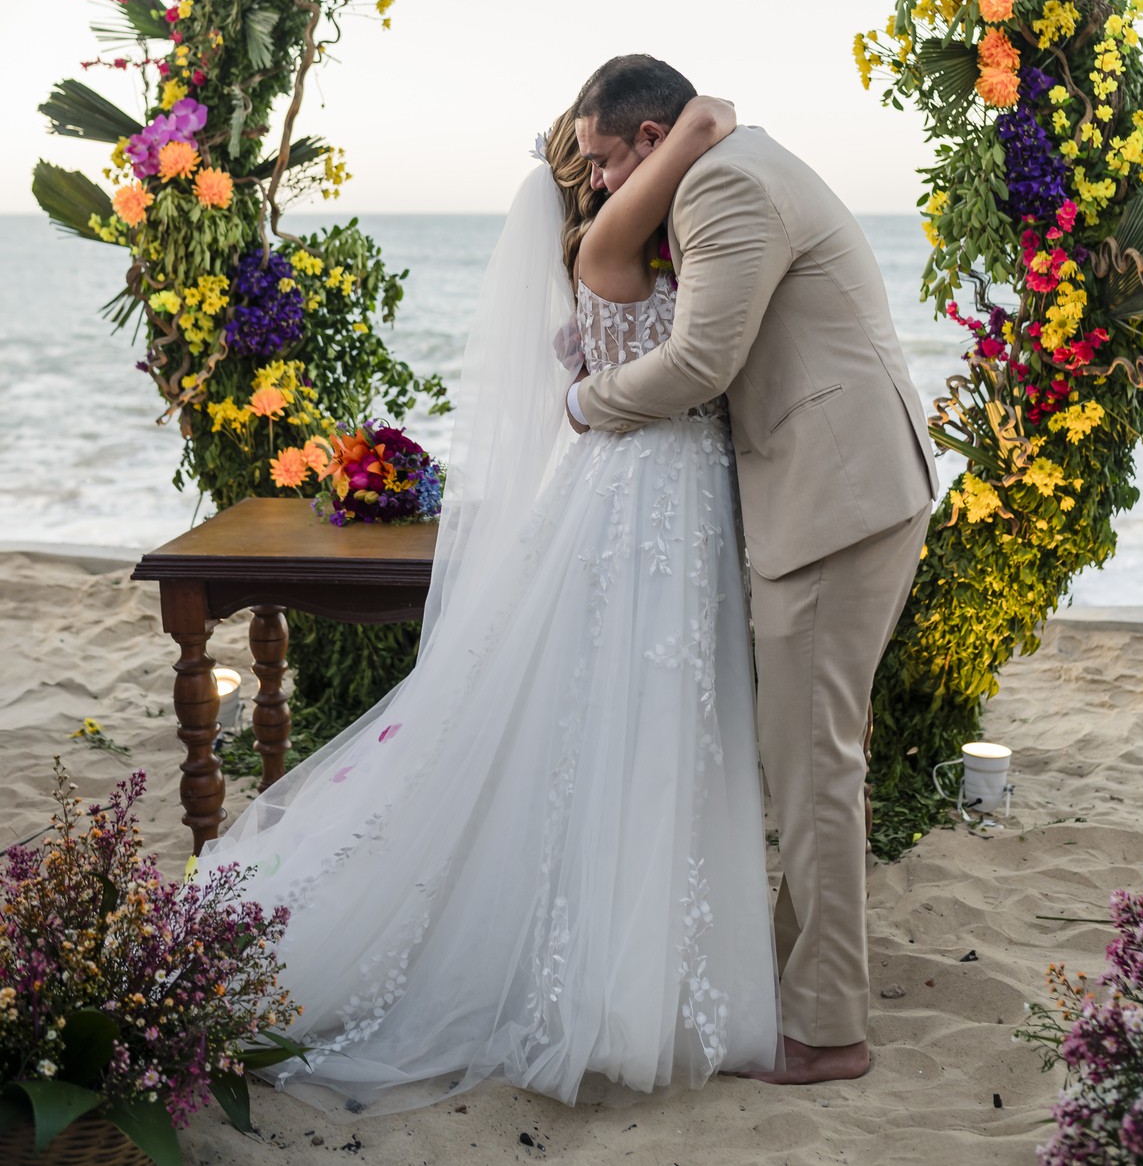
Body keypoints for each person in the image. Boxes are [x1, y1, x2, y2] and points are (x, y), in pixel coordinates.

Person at [195, 76, 781, 1112]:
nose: (605, 183)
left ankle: (647, 972)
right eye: (595, 170)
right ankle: (612, 983)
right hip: (646, 498)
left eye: (609, 166)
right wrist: (711, 121)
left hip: (673, 500)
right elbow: (700, 126)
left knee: (661, 724)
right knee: (630, 722)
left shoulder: (639, 251)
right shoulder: (608, 246)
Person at [568, 54, 937, 1087]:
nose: (598, 182)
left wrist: (582, 406)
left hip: (836, 497)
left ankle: (824, 1031)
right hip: (848, 481)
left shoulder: (722, 182)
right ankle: (804, 984)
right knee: (812, 755)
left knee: (814, 764)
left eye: (603, 160)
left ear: (652, 139)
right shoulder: (737, 163)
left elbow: (700, 363)